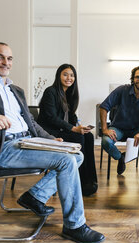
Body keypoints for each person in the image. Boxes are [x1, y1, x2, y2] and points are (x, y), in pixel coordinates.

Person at [0, 42, 105, 243]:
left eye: (9, 58)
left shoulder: (15, 89)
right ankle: (74, 225)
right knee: (66, 161)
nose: (5, 62)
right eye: (0, 57)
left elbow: (31, 123)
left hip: (27, 141)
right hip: (3, 147)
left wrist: (52, 140)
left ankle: (34, 196)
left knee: (76, 155)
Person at [37, 64, 98, 197]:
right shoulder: (51, 91)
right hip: (50, 132)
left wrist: (79, 125)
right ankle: (79, 182)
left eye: (72, 75)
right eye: (65, 74)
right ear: (58, 75)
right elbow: (51, 117)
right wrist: (73, 128)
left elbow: (71, 116)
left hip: (60, 129)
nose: (69, 78)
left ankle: (90, 179)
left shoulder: (68, 94)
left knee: (88, 136)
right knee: (78, 138)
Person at [99, 65, 139, 189]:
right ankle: (120, 157)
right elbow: (103, 107)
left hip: (136, 129)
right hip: (119, 128)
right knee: (105, 141)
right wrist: (105, 129)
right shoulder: (122, 90)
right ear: (132, 79)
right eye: (137, 77)